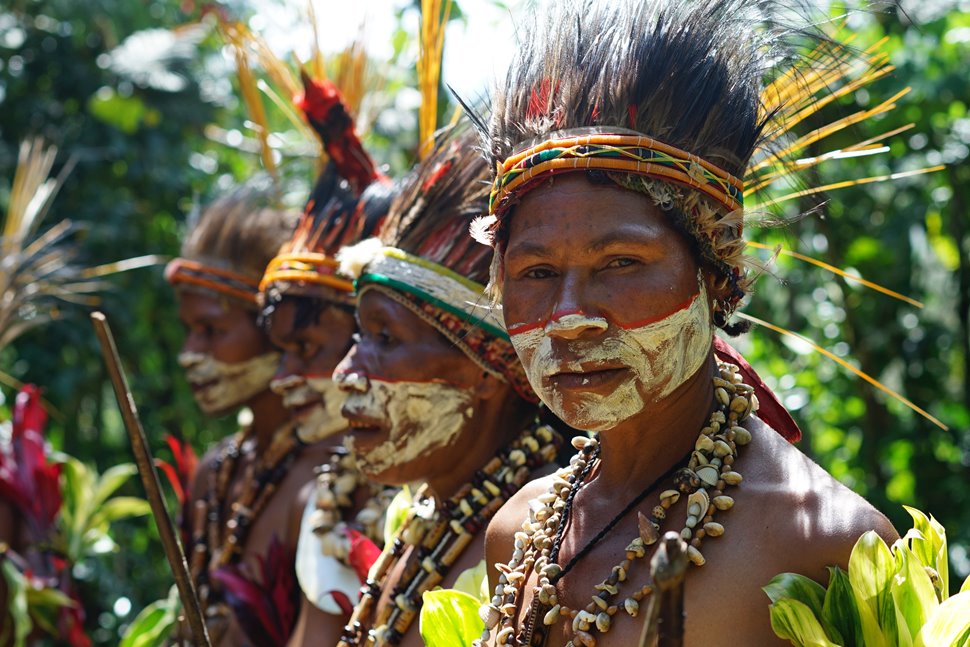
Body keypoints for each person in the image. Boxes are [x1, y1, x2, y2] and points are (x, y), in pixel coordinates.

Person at [470, 2, 899, 645]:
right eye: (535, 273)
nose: (569, 319)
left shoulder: (829, 544)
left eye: (620, 263)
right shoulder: (517, 534)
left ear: (715, 269)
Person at [322, 126, 565, 647]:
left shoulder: (544, 541)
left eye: (385, 339)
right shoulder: (415, 516)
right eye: (360, 336)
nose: (346, 372)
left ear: (483, 367)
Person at [259, 75, 401, 643]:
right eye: (281, 354)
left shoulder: (469, 500)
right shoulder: (329, 492)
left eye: (308, 350)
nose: (282, 379)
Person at [166, 181, 331, 646]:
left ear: (273, 330)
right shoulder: (216, 471)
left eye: (211, 330)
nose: (189, 354)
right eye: (188, 331)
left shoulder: (331, 480)